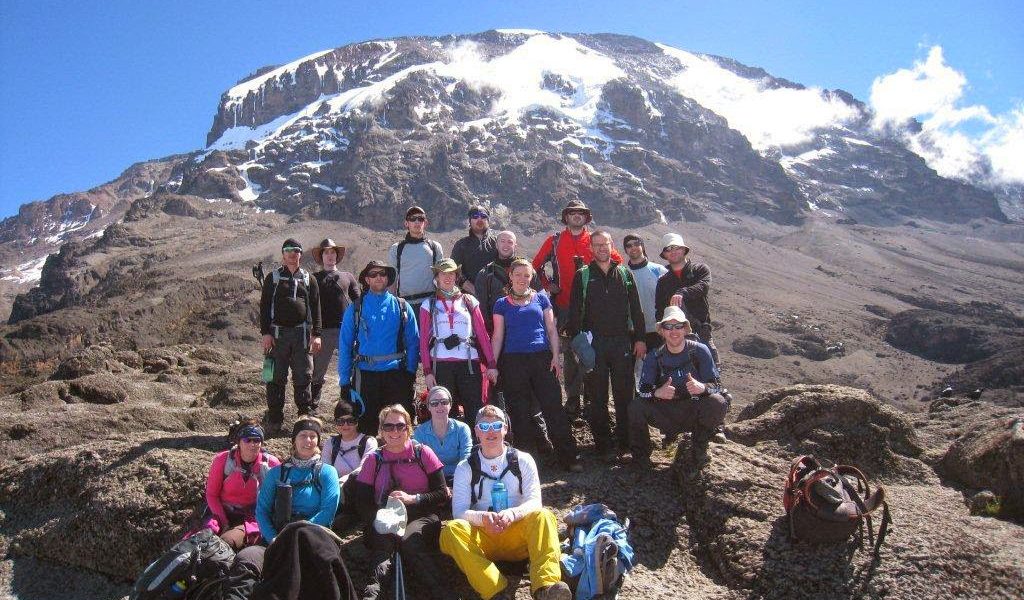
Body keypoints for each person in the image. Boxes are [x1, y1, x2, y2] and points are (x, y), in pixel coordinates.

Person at [440, 405, 572, 600]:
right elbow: (459, 511)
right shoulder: (465, 467)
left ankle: (545, 587)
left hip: (517, 535)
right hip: (484, 539)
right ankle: (494, 590)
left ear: (505, 429)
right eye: (484, 427)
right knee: (451, 530)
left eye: (496, 425)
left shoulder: (524, 460)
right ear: (476, 432)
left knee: (544, 516)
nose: (490, 431)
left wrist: (512, 514)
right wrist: (483, 518)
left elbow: (535, 502)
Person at [353, 405, 457, 600]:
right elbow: (362, 501)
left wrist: (414, 499)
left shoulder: (422, 453)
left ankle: (444, 594)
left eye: (400, 426)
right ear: (381, 430)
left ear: (409, 428)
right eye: (388, 426)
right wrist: (378, 519)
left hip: (422, 515)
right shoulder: (373, 460)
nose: (394, 431)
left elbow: (442, 493)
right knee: (383, 544)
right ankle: (372, 595)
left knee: (410, 542)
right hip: (385, 516)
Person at [532, 200, 622, 419]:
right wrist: (546, 284)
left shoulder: (595, 241)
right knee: (571, 355)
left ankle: (593, 398)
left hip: (593, 308)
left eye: (581, 213)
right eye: (572, 213)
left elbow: (617, 262)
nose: (576, 216)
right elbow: (535, 266)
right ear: (566, 217)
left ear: (586, 217)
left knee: (594, 351)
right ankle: (572, 399)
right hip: (563, 306)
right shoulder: (554, 240)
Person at [491, 259, 582, 472]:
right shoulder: (501, 303)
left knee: (553, 408)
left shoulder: (541, 298)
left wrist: (555, 357)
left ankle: (568, 457)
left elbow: (551, 329)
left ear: (532, 278)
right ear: (510, 276)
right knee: (519, 412)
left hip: (542, 359)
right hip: (513, 362)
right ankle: (528, 465)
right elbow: (498, 336)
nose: (523, 279)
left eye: (527, 275)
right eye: (519, 274)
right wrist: (493, 364)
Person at [567, 230, 646, 462]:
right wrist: (578, 344)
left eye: (606, 244)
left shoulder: (624, 274)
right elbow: (574, 314)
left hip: (622, 342)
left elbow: (636, 309)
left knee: (625, 396)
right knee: (596, 397)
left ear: (612, 247)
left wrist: (640, 338)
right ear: (590, 248)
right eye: (597, 245)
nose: (602, 248)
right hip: (595, 344)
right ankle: (603, 446)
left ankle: (625, 444)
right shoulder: (583, 275)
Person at [630, 306, 729, 468]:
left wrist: (702, 388)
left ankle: (699, 448)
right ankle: (641, 459)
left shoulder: (700, 351)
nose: (673, 331)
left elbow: (716, 385)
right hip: (665, 413)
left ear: (685, 329)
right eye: (668, 326)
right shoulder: (654, 356)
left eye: (678, 326)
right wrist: (658, 392)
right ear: (662, 331)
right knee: (635, 407)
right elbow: (643, 390)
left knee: (717, 402)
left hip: (692, 410)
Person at [338, 260, 420, 436]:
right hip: (365, 376)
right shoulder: (355, 308)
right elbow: (345, 345)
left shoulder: (402, 306)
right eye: (373, 274)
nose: (378, 277)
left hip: (396, 375)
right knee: (366, 426)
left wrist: (410, 372)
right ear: (366, 279)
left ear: (388, 278)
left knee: (397, 426)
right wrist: (345, 381)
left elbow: (413, 342)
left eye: (382, 274)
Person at [419, 258, 496, 423]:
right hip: (440, 364)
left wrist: (491, 364)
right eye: (443, 273)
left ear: (456, 276)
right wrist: (427, 371)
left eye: (452, 273)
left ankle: (474, 446)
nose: (447, 277)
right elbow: (423, 342)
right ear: (436, 277)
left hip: (469, 363)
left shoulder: (469, 301)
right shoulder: (428, 305)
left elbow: (483, 334)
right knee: (446, 412)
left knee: (474, 409)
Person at [259, 238, 322, 432]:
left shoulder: (308, 279)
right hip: (277, 334)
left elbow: (316, 307)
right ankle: (275, 419)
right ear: (283, 255)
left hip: (301, 334)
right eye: (288, 250)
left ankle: (304, 418)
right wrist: (266, 333)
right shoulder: (273, 278)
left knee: (303, 376)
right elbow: (264, 306)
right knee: (275, 378)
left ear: (301, 254)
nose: (292, 253)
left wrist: (317, 333)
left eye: (296, 250)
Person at [255, 417, 340, 544]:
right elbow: (262, 510)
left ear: (318, 441)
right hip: (278, 534)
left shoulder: (327, 472)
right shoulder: (276, 473)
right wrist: (272, 537)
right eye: (303, 435)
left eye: (313, 436)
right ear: (294, 439)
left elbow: (328, 511)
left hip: (313, 535)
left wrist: (297, 533)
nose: (308, 440)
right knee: (247, 557)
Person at [201, 418, 282, 550]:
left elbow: (278, 498)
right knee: (200, 541)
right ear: (239, 441)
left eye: (257, 440)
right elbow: (211, 495)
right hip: (221, 513)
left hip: (251, 518)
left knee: (225, 542)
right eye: (247, 439)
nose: (252, 444)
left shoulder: (271, 464)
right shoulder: (223, 460)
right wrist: (224, 522)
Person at [654, 232, 717, 367]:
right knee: (678, 376)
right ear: (664, 254)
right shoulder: (663, 281)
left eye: (676, 248)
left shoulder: (700, 269)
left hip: (701, 332)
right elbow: (659, 308)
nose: (673, 252)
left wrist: (683, 292)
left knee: (710, 374)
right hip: (674, 337)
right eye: (668, 249)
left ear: (684, 250)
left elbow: (703, 286)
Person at [311, 238, 360, 408]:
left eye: (333, 252)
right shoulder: (314, 278)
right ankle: (313, 406)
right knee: (318, 370)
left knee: (350, 368)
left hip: (345, 331)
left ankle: (348, 403)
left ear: (337, 256)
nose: (330, 255)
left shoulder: (348, 277)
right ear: (322, 256)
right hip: (322, 331)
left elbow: (358, 302)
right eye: (326, 252)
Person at [325, 400, 378, 532]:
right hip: (334, 491)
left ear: (357, 421)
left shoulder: (368, 441)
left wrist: (344, 480)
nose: (345, 425)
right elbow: (324, 468)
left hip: (358, 492)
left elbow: (365, 468)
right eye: (340, 421)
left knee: (355, 478)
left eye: (350, 421)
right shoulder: (331, 443)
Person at [474, 230, 541, 333]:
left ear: (515, 245)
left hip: (527, 328)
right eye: (502, 241)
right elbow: (481, 307)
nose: (506, 245)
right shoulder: (485, 274)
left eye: (510, 242)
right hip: (496, 330)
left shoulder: (528, 270)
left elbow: (539, 298)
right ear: (496, 244)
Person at [623, 233, 668, 380]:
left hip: (656, 331)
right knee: (630, 372)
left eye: (636, 243)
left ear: (642, 245)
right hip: (632, 332)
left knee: (658, 370)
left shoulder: (659, 270)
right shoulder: (621, 273)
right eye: (629, 245)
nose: (633, 248)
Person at [388, 206, 445, 313]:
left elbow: (440, 277)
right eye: (412, 218)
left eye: (420, 218)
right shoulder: (396, 248)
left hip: (430, 304)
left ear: (425, 223)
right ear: (406, 223)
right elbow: (392, 280)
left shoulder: (435, 247)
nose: (417, 221)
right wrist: (393, 305)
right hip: (405, 305)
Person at [413, 386, 473, 485]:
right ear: (428, 407)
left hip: (459, 478)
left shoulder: (462, 428)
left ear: (450, 405)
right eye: (434, 403)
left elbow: (466, 459)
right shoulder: (420, 432)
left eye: (444, 402)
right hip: (431, 482)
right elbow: (418, 464)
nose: (439, 406)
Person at [450, 204, 498, 295]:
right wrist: (474, 290)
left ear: (488, 220)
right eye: (475, 217)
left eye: (483, 216)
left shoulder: (498, 242)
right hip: (470, 299)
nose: (479, 219)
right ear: (470, 221)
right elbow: (454, 271)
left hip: (496, 297)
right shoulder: (461, 245)